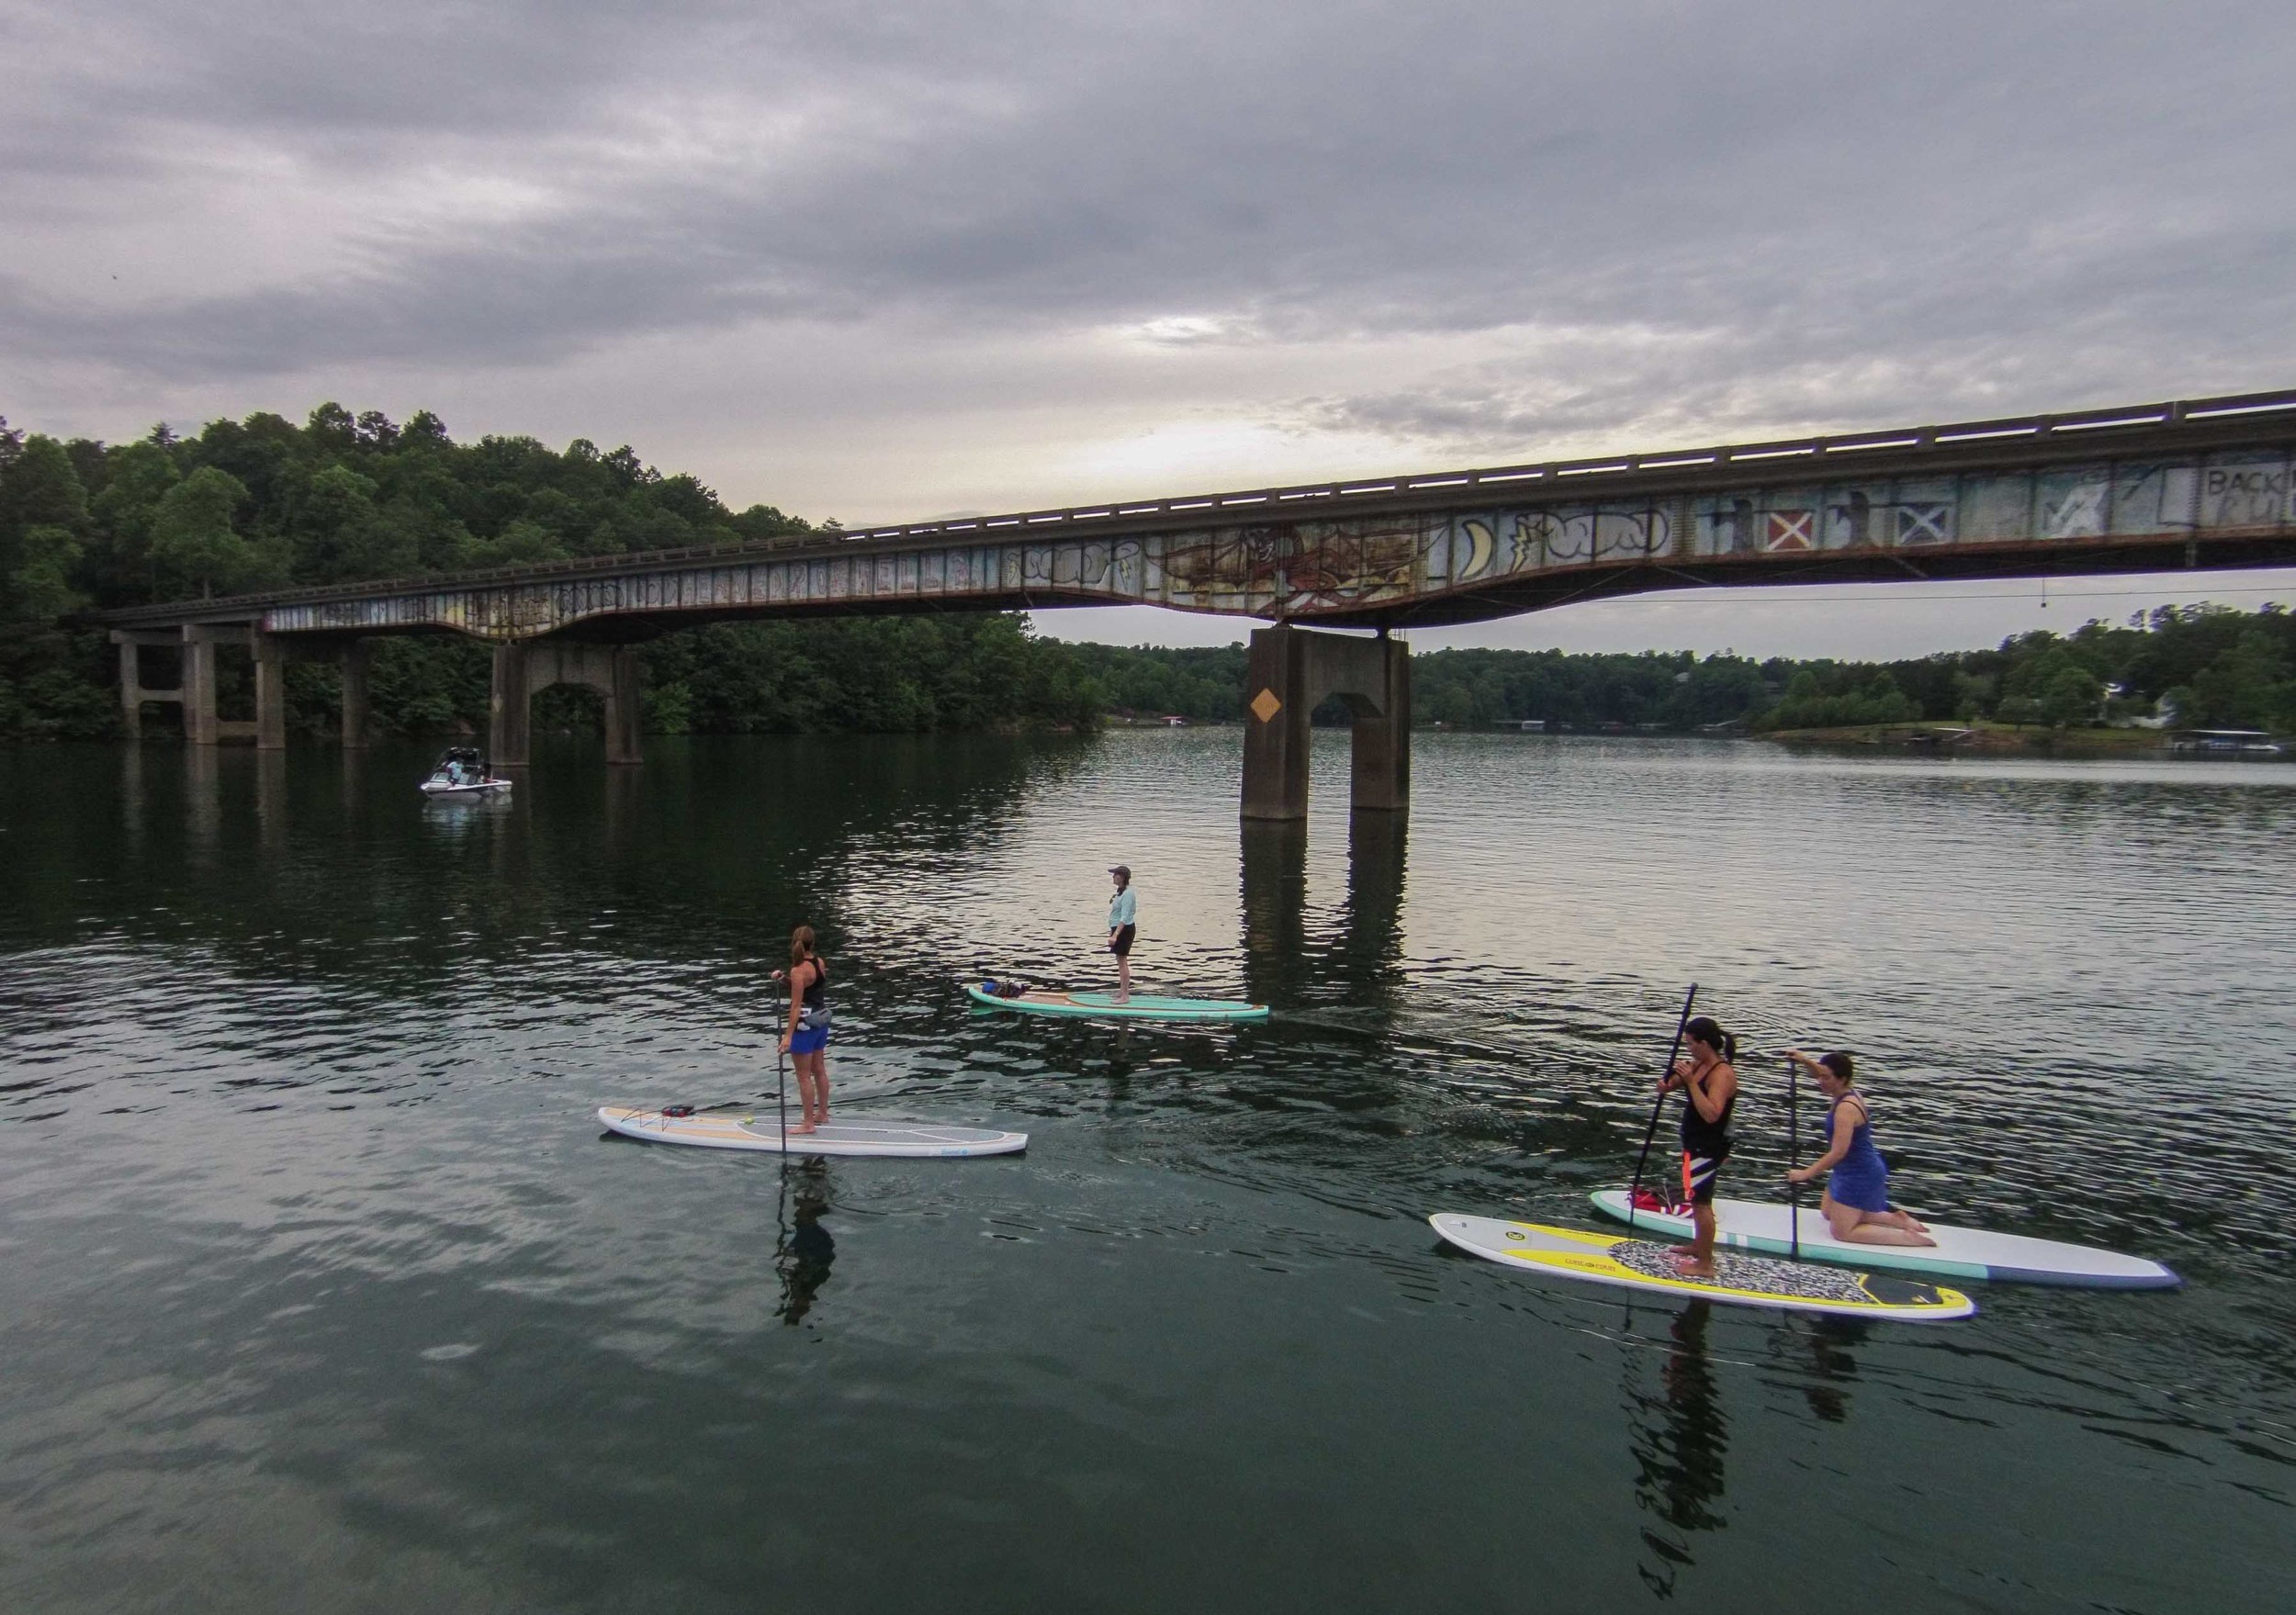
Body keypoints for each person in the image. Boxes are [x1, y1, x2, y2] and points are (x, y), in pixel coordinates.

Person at [1784, 1050, 1935, 1246]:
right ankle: (1895, 1219)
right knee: (1827, 1212)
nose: (1819, 1081)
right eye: (1819, 1076)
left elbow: (1839, 1152)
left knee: (1841, 1232)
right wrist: (1804, 1060)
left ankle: (1906, 1237)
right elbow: (1822, 1072)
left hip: (1860, 1173)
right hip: (1846, 1169)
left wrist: (1806, 1174)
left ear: (1842, 1079)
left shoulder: (1846, 1108)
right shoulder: (1844, 1089)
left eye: (1825, 1078)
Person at [1660, 1016, 1739, 1277]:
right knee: (1694, 1198)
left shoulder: (1722, 1074)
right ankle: (1698, 1245)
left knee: (1702, 1202)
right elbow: (1674, 1085)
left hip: (1709, 1145)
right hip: (1693, 1142)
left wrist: (1692, 1082)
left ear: (1704, 1043)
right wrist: (1668, 1084)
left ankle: (1705, 1265)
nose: (1689, 1049)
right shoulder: (1700, 1064)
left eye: (1691, 1044)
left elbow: (1712, 1114)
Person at [772, 925, 831, 1136]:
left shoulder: (798, 969)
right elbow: (808, 987)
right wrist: (783, 979)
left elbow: (796, 1004)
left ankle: (808, 1123)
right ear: (812, 943)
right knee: (819, 1069)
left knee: (803, 1076)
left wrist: (788, 1036)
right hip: (821, 1021)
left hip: (805, 1026)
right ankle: (822, 1113)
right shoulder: (819, 962)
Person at [1107, 865, 1137, 1004]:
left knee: (1122, 962)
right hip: (1118, 929)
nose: (1113, 877)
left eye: (1115, 875)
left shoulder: (1128, 894)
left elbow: (1124, 916)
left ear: (1122, 877)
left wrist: (1115, 935)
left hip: (1124, 930)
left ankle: (1125, 996)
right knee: (1120, 962)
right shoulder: (1120, 892)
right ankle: (1122, 991)